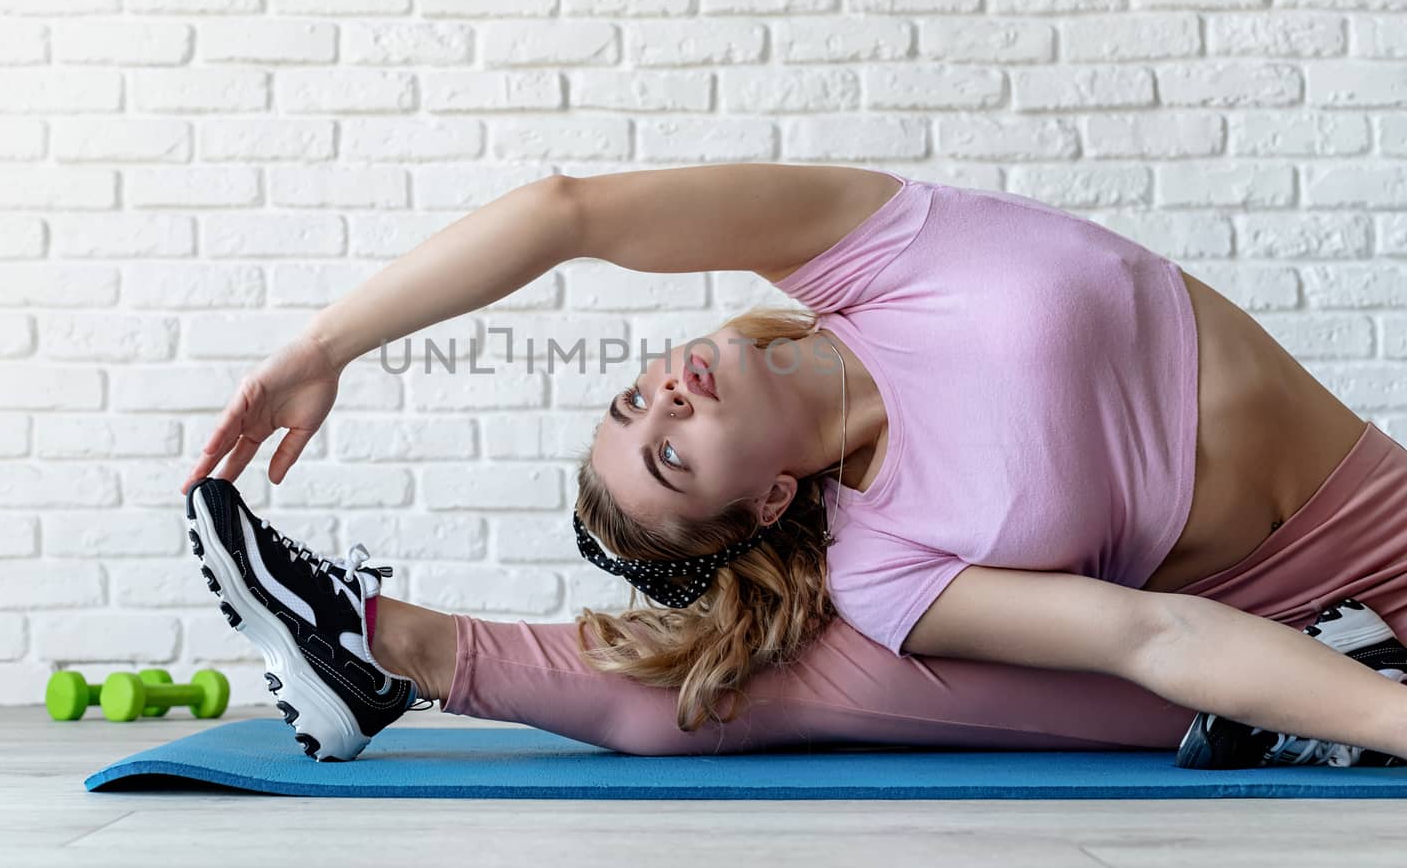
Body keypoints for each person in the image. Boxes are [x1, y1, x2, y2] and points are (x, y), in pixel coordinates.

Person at [178, 164, 1407, 766]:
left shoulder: (868, 254)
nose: (662, 394)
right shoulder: (884, 564)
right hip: (1286, 654)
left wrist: (325, 343)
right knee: (753, 671)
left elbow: (567, 213)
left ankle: (369, 648)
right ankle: (376, 641)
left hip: (1379, 539)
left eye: (633, 395)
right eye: (668, 452)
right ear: (765, 498)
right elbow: (1150, 636)